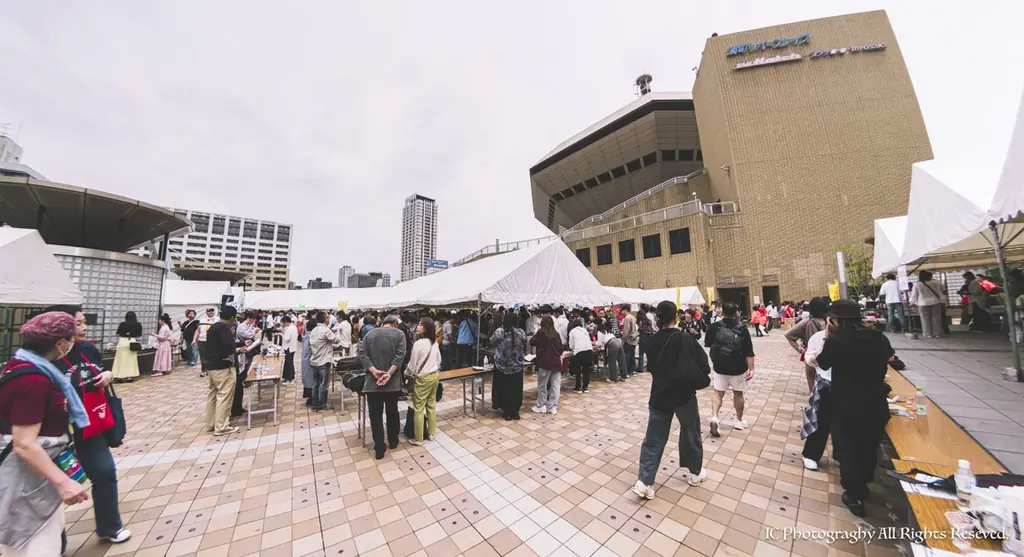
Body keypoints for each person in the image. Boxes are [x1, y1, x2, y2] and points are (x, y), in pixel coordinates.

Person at [0, 312, 91, 556]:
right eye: (71, 338)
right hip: (25, 478)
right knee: (35, 543)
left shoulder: (25, 366)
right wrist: (63, 483)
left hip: (35, 478)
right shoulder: (32, 379)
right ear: (60, 344)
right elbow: (24, 444)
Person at [47, 305, 132, 546]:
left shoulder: (86, 348)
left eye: (84, 322)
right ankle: (56, 542)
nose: (83, 328)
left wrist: (108, 375)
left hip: (91, 426)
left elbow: (100, 370)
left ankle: (109, 527)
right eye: (78, 323)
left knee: (105, 474)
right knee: (52, 488)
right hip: (57, 433)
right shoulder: (45, 358)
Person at [814, 299, 893, 517]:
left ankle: (854, 494)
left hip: (846, 404)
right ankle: (864, 482)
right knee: (868, 445)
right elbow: (890, 357)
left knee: (848, 448)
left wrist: (829, 336)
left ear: (836, 319)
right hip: (876, 402)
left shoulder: (837, 341)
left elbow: (823, 363)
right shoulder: (878, 337)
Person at [633, 301, 710, 500]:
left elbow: (652, 368)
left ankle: (644, 481)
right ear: (675, 316)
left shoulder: (651, 341)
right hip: (684, 396)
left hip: (659, 395)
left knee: (653, 439)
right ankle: (695, 472)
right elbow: (704, 364)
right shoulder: (685, 338)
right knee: (690, 432)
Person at [358, 315, 407, 459]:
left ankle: (379, 447)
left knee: (375, 415)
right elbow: (400, 355)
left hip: (373, 383)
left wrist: (373, 370)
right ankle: (393, 441)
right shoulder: (399, 334)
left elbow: (361, 353)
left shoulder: (369, 334)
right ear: (394, 324)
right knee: (392, 412)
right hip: (392, 383)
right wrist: (389, 374)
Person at [704, 302, 755, 437]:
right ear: (736, 313)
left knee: (718, 392)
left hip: (719, 366)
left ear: (722, 312)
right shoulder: (742, 328)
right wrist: (752, 369)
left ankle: (715, 417)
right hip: (738, 368)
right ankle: (739, 421)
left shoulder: (715, 326)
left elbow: (708, 343)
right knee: (738, 394)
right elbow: (749, 351)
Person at [203, 306, 241, 436]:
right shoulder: (225, 328)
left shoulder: (214, 327)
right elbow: (229, 346)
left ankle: (211, 423)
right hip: (223, 367)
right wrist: (232, 359)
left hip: (211, 366)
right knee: (224, 395)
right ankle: (221, 426)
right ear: (232, 317)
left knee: (213, 395)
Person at [800, 326, 833, 471]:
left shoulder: (859, 338)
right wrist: (812, 358)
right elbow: (810, 359)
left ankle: (840, 454)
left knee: (843, 424)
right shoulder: (821, 338)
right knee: (821, 420)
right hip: (825, 384)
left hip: (850, 386)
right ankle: (811, 454)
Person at [406, 317, 442, 444]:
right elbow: (439, 361)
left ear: (426, 328)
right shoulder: (435, 343)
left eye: (421, 325)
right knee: (431, 405)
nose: (418, 327)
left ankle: (419, 438)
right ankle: (432, 434)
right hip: (434, 375)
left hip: (423, 377)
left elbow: (412, 364)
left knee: (419, 408)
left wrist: (407, 373)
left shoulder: (418, 344)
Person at [785, 297, 830, 393]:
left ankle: (815, 405)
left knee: (814, 383)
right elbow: (788, 335)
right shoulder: (829, 322)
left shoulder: (810, 322)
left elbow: (789, 335)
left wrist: (800, 350)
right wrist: (800, 350)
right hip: (824, 355)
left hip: (812, 356)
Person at [490, 313, 527, 420]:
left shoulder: (499, 332)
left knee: (504, 389)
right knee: (516, 389)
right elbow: (525, 345)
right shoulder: (521, 332)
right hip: (517, 366)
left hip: (502, 367)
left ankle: (507, 412)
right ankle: (515, 411)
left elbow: (492, 342)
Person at [308, 311, 342, 411]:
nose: (329, 319)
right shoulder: (325, 330)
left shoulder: (314, 329)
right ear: (324, 319)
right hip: (324, 361)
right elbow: (336, 340)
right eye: (327, 318)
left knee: (316, 384)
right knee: (324, 384)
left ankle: (315, 403)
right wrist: (338, 332)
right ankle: (322, 404)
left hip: (314, 360)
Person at [530, 316, 564, 415]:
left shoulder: (541, 333)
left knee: (542, 385)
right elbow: (560, 348)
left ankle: (541, 405)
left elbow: (531, 341)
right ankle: (552, 406)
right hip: (556, 363)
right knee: (555, 386)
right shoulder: (556, 334)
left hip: (545, 363)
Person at [910, 270, 947, 338]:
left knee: (925, 319)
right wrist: (943, 301)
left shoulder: (917, 284)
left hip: (923, 303)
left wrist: (912, 302)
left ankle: (927, 334)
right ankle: (937, 333)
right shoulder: (936, 282)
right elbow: (940, 292)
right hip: (935, 302)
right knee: (936, 318)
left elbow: (914, 295)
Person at [112, 311, 142, 382]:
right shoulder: (138, 324)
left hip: (122, 341)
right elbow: (139, 334)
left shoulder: (122, 324)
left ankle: (119, 376)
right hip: (132, 341)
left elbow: (118, 333)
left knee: (120, 360)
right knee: (131, 360)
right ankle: (129, 376)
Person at [568, 318, 594, 394]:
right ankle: (585, 387)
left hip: (579, 351)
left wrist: (572, 348)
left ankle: (578, 387)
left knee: (578, 370)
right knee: (586, 369)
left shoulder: (572, 331)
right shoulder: (585, 330)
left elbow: (571, 345)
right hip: (589, 350)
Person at [194, 307, 218, 377]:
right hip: (202, 340)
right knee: (203, 356)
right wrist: (194, 339)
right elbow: (197, 330)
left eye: (212, 311)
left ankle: (211, 370)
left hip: (213, 341)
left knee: (213, 355)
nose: (211, 312)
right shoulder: (202, 320)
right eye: (209, 311)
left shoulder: (217, 320)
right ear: (206, 312)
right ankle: (204, 370)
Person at [301, 316, 316, 404]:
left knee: (308, 380)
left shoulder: (306, 336)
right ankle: (311, 399)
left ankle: (310, 398)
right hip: (309, 362)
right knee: (311, 380)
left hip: (306, 362)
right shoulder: (311, 337)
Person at [621, 306, 638, 377]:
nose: (621, 312)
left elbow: (626, 330)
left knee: (627, 356)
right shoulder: (633, 317)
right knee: (632, 355)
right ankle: (633, 370)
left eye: (622, 310)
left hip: (628, 339)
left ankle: (627, 371)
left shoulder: (627, 318)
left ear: (625, 310)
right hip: (634, 338)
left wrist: (623, 338)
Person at [637, 305, 656, 373]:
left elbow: (638, 331)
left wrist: (633, 336)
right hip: (650, 338)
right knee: (648, 354)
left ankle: (641, 368)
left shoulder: (641, 322)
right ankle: (649, 367)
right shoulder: (649, 321)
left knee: (641, 354)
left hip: (643, 338)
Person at [280, 316, 297, 384]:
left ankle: (290, 379)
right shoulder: (293, 327)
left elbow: (286, 339)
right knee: (288, 363)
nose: (283, 325)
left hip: (289, 348)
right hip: (292, 348)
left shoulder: (290, 328)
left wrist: (281, 335)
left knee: (289, 363)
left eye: (283, 323)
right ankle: (287, 377)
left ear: (286, 322)